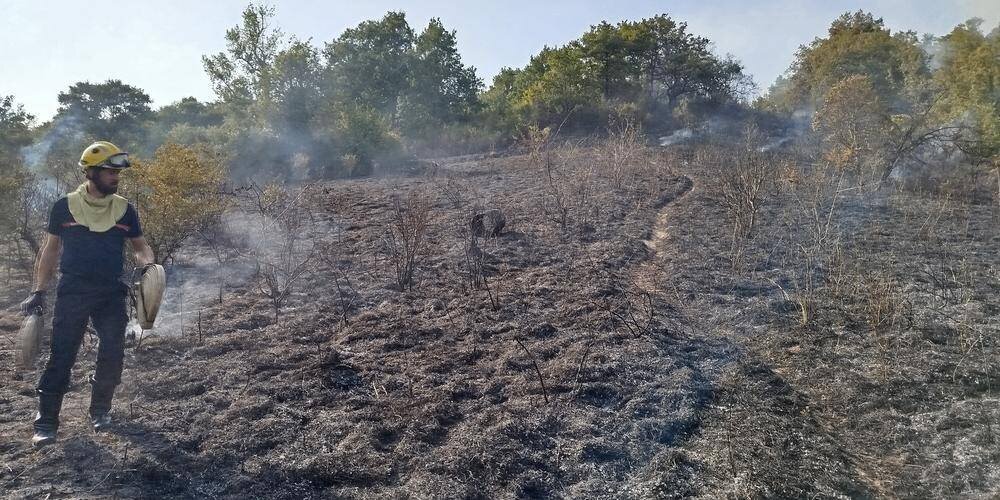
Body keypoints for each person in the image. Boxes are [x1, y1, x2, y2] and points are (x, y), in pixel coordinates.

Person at [20, 141, 155, 448]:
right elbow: (50, 250)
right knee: (62, 355)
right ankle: (46, 423)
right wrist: (38, 290)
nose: (116, 177)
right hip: (74, 291)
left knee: (113, 349)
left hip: (110, 291)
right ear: (91, 172)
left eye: (117, 172)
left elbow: (140, 246)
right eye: (109, 171)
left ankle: (100, 411)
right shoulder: (64, 207)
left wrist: (149, 266)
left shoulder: (124, 210)